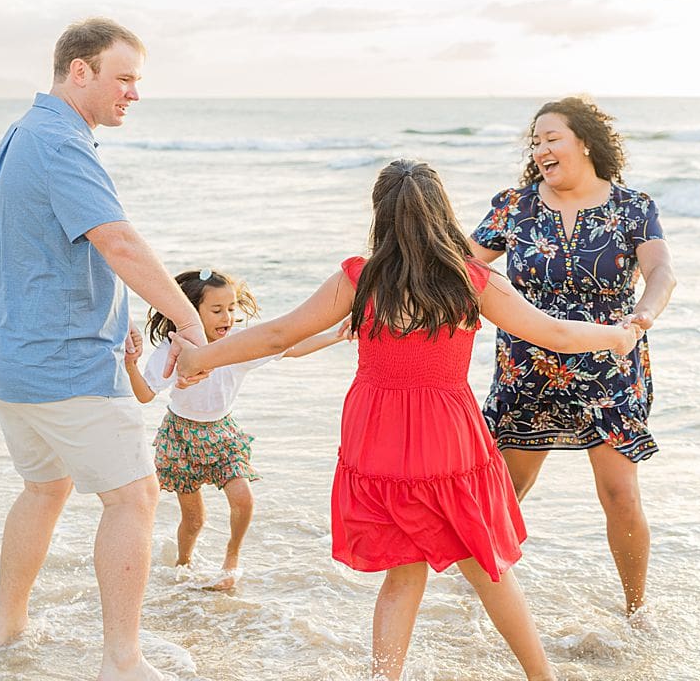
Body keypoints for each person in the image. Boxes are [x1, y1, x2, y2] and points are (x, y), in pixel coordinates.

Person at [171, 159, 642, 681]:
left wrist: (200, 359)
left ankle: (384, 678)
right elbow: (555, 333)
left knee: (402, 573)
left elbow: (278, 334)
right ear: (442, 212)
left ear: (381, 216)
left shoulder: (360, 277)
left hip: (378, 435)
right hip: (449, 436)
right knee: (487, 566)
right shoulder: (474, 280)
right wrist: (617, 336)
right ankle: (542, 678)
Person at [0, 17, 205, 681]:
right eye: (124, 79)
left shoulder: (26, 132)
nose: (134, 94)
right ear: (82, 72)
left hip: (9, 357)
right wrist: (187, 320)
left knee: (45, 487)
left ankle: (7, 633)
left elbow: (41, 251)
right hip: (62, 365)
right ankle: (121, 662)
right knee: (134, 498)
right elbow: (119, 243)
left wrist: (117, 316)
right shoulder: (62, 144)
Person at [469, 96, 676, 616]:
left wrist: (643, 316)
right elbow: (458, 267)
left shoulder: (632, 206)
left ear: (584, 141)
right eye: (535, 142)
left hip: (609, 363)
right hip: (527, 364)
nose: (540, 149)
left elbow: (661, 273)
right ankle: (480, 597)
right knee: (508, 488)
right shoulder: (514, 206)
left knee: (619, 493)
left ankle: (636, 612)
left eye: (551, 138)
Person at [123, 268, 346, 591]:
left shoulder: (241, 347)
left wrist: (337, 333)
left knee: (243, 499)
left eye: (231, 308)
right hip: (181, 437)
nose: (227, 316)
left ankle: (231, 560)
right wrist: (130, 365)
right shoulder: (173, 351)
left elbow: (291, 346)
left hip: (222, 434)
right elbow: (145, 394)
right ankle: (182, 567)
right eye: (216, 310)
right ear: (190, 312)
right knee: (194, 519)